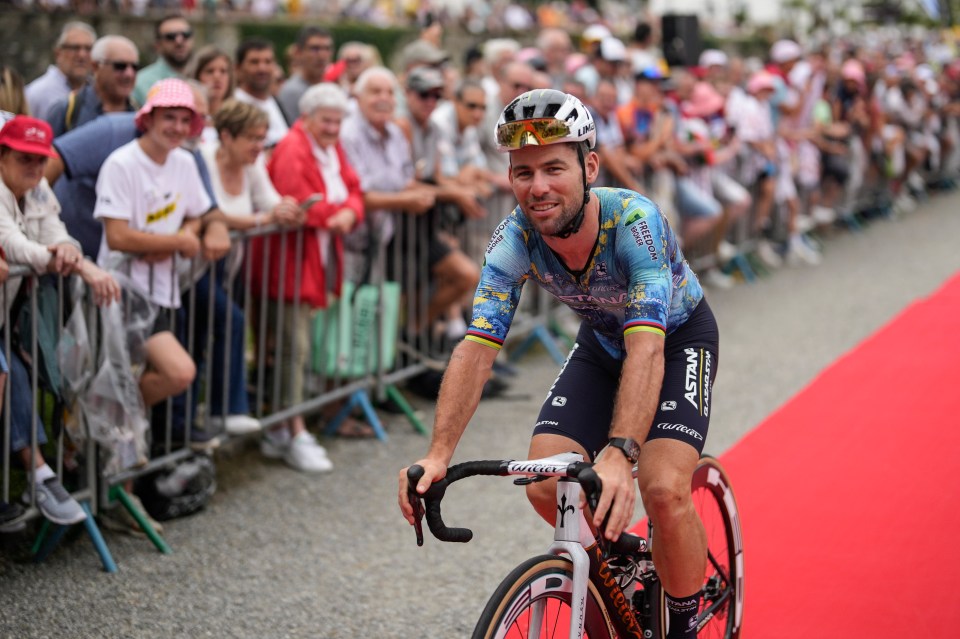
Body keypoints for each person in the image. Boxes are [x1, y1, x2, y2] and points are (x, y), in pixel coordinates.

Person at [399, 90, 719, 639]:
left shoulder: (634, 223)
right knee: (547, 484)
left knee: (663, 489)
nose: (538, 187)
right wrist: (436, 456)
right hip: (603, 343)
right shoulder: (514, 239)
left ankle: (684, 624)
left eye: (553, 168)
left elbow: (646, 349)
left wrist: (621, 452)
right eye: (522, 172)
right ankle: (627, 562)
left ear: (590, 166)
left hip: (673, 341)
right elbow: (477, 348)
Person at [0, 115, 121, 526]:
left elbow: (58, 231)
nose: (35, 168)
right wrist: (78, 266)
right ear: (1, 156)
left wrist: (68, 251)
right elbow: (12, 244)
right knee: (9, 374)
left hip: (8, 315)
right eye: (24, 159)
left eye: (40, 159)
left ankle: (44, 473)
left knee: (23, 372)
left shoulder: (37, 189)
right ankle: (38, 474)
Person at [252, 83, 365, 471]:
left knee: (295, 348)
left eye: (338, 121)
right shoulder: (293, 148)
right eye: (327, 121)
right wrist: (343, 211)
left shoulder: (328, 147)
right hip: (288, 261)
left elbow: (352, 187)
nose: (334, 128)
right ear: (308, 118)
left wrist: (349, 210)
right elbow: (301, 205)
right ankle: (291, 428)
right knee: (291, 348)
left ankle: (285, 427)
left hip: (313, 258)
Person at [46, 35, 139, 137]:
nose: (129, 74)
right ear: (95, 67)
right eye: (120, 66)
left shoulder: (140, 114)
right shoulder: (67, 110)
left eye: (134, 67)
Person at [25, 21, 97, 122]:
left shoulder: (98, 91)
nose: (82, 55)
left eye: (88, 49)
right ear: (58, 53)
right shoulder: (37, 93)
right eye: (75, 48)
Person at [233, 38, 289, 149]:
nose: (262, 68)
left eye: (268, 62)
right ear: (238, 68)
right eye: (254, 62)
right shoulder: (234, 107)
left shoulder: (277, 103)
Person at [133, 14, 195, 106]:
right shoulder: (140, 83)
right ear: (157, 45)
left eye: (185, 35)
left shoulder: (204, 77)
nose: (179, 41)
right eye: (170, 36)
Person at [275, 26, 334, 122]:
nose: (322, 56)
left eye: (327, 49)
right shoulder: (292, 92)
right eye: (315, 49)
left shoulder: (330, 88)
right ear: (298, 52)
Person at [189, 45, 235, 144]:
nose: (217, 77)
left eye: (223, 71)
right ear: (197, 76)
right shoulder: (186, 118)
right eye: (209, 71)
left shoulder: (238, 116)